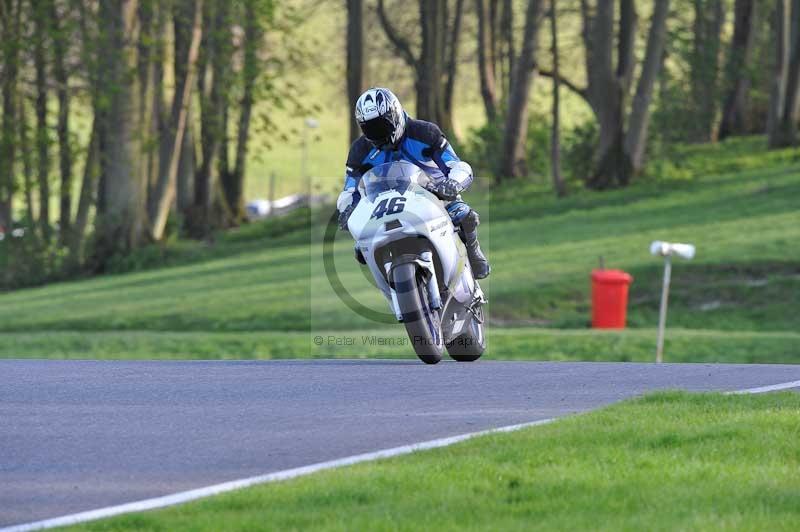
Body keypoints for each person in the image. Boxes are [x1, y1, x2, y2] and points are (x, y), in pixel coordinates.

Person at [336, 87, 491, 279]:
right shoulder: (360, 150)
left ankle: (474, 251)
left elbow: (456, 164)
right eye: (371, 128)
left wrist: (453, 183)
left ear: (395, 114)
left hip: (437, 195)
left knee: (463, 215)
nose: (378, 133)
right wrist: (347, 209)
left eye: (381, 126)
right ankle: (392, 290)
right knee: (361, 248)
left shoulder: (425, 132)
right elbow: (349, 189)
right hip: (384, 205)